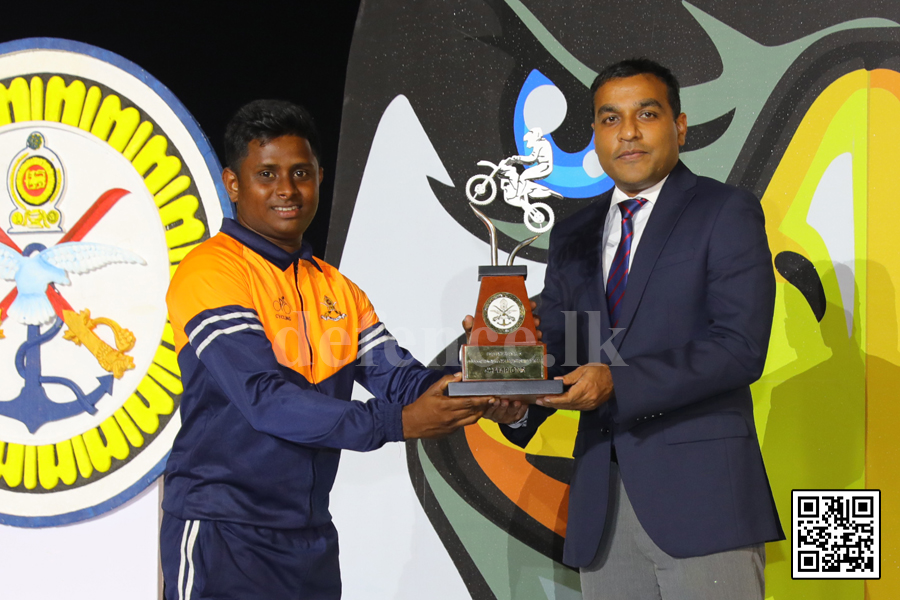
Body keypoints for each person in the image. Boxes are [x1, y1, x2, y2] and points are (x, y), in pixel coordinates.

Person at [159, 99, 492, 600]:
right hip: (222, 530)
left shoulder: (337, 289)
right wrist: (395, 423)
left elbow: (398, 378)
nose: (287, 190)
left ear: (319, 176)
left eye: (300, 173)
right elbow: (265, 400)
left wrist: (476, 385)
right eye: (266, 174)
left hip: (310, 536)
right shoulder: (211, 271)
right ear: (233, 183)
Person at [495, 59, 784, 599]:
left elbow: (739, 347)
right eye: (609, 119)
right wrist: (515, 387)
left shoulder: (725, 211)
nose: (627, 132)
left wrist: (617, 383)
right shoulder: (574, 233)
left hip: (704, 504)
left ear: (679, 126)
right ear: (594, 136)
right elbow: (567, 345)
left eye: (646, 114)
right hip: (601, 507)